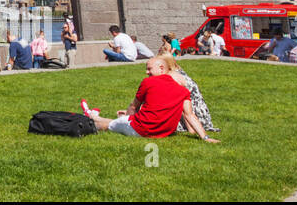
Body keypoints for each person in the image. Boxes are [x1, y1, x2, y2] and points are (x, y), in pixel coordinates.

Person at [86, 54, 219, 143]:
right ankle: (94, 115)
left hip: (141, 129)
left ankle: (92, 118)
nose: (147, 72)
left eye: (149, 69)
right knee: (119, 122)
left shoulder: (148, 83)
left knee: (108, 125)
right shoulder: (183, 91)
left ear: (161, 68)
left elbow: (133, 107)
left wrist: (126, 119)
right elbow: (190, 115)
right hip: (163, 132)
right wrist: (205, 137)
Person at [167, 58, 218, 133]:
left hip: (192, 111)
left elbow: (182, 105)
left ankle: (191, 128)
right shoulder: (180, 72)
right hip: (200, 111)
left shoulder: (173, 76)